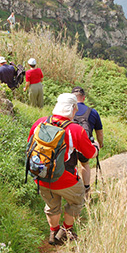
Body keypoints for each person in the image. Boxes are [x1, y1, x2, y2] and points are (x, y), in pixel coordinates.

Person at [28, 93, 99, 245]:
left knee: (52, 207)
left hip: (41, 176)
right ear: (73, 109)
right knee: (77, 201)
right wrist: (96, 148)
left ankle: (53, 233)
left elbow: (30, 145)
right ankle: (66, 231)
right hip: (66, 180)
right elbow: (90, 154)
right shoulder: (75, 130)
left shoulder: (40, 122)